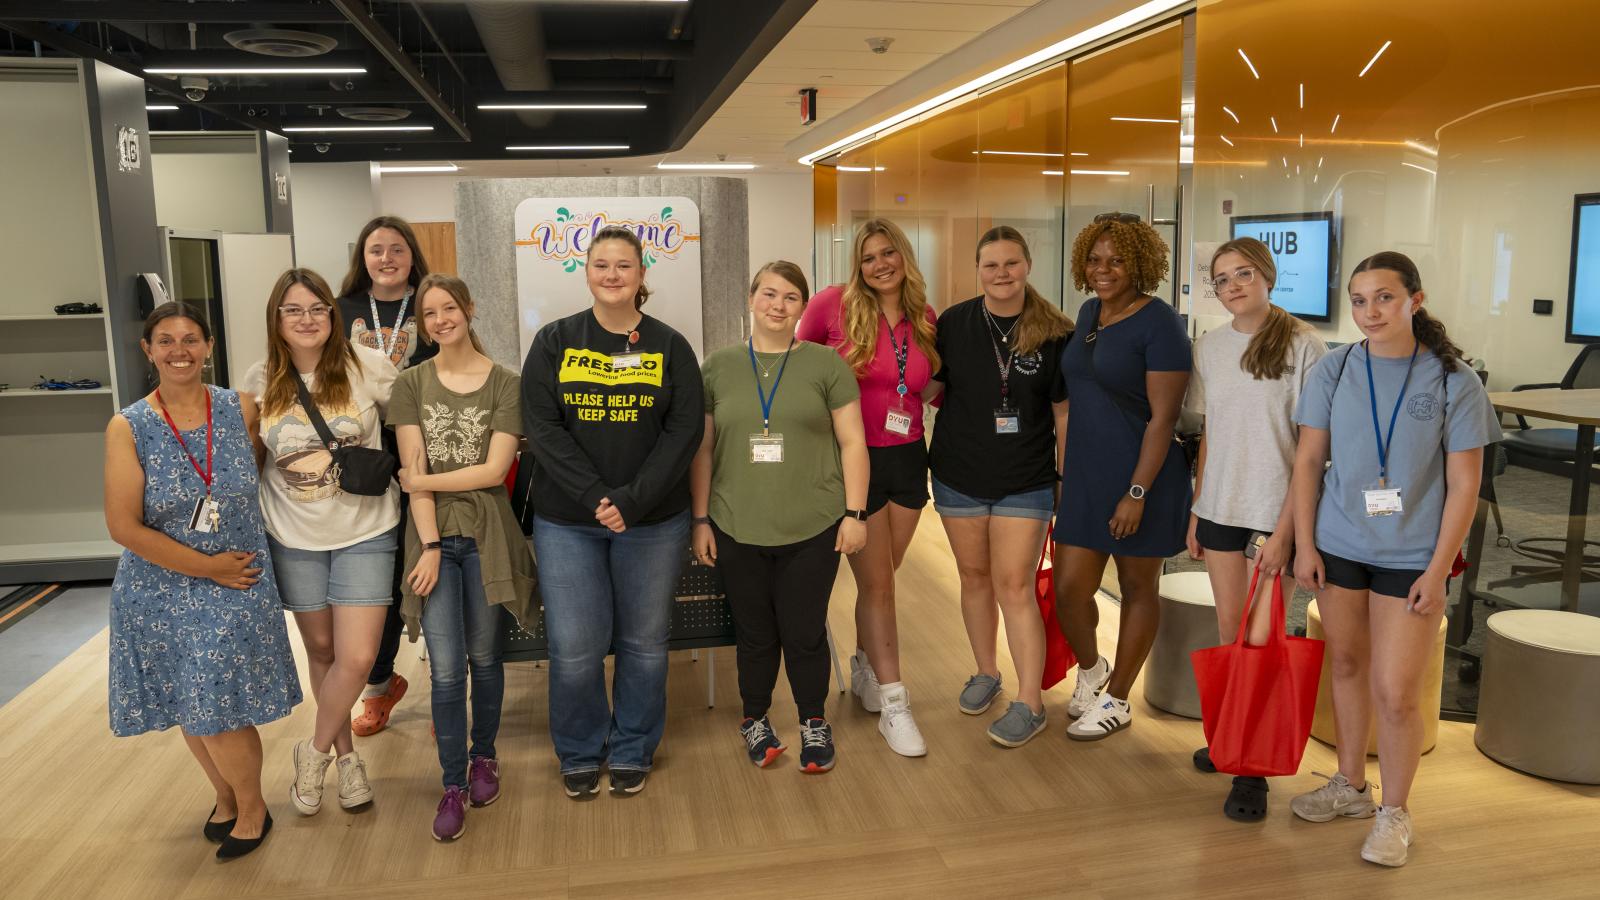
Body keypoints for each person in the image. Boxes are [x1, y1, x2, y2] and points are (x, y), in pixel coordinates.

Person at [1288, 251, 1499, 867]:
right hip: (1338, 545)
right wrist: (1304, 543)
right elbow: (1307, 462)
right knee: (1347, 667)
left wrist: (1439, 571)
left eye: (1383, 297)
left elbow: (1465, 486)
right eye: (1358, 300)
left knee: (1396, 690)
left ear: (1415, 299)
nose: (1369, 311)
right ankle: (1350, 786)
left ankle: (1395, 813)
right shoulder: (1336, 368)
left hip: (1412, 555)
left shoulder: (1453, 379)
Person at [104, 302, 301, 860]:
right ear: (148, 351)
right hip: (160, 587)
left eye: (190, 339)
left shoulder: (241, 409)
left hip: (237, 579)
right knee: (193, 700)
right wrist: (204, 566)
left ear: (209, 346)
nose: (179, 350)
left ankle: (254, 806)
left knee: (220, 701)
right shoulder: (129, 426)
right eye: (165, 341)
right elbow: (123, 526)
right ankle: (226, 796)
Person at [521, 226, 704, 798]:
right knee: (575, 648)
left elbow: (684, 433)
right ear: (587, 272)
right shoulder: (555, 341)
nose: (612, 275)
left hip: (652, 522)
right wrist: (599, 498)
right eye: (602, 265)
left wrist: (631, 499)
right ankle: (579, 748)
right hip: (568, 523)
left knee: (645, 644)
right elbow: (543, 429)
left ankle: (631, 746)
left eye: (624, 266)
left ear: (642, 274)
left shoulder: (671, 346)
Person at [690, 261, 869, 773]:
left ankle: (813, 720)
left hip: (813, 523)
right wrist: (700, 519)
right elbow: (703, 449)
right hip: (734, 522)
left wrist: (855, 513)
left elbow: (853, 441)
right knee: (754, 633)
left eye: (791, 297)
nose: (778, 305)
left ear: (803, 308)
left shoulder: (826, 364)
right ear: (751, 299)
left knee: (805, 629)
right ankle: (755, 719)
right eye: (769, 294)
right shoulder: (718, 366)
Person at [242, 268, 400, 818]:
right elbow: (250, 466)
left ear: (332, 316)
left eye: (317, 308)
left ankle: (312, 754)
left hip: (366, 530)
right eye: (293, 310)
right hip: (293, 536)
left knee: (357, 656)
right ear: (277, 320)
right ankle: (348, 759)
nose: (307, 319)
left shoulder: (366, 366)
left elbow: (413, 422)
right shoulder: (261, 381)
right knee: (324, 653)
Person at [1184, 237, 1328, 819]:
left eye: (1243, 273)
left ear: (1267, 276)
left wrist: (1289, 532)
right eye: (1222, 279)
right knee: (1229, 633)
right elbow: (1211, 433)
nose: (1233, 285)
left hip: (1276, 514)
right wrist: (1197, 508)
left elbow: (1311, 452)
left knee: (1262, 640)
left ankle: (1252, 774)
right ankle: (1232, 740)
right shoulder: (1210, 349)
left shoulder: (1305, 347)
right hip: (1221, 507)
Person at [389, 274, 536, 841]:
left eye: (449, 308)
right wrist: (427, 544)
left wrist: (420, 477)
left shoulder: (506, 383)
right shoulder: (411, 384)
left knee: (485, 657)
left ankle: (485, 757)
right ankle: (452, 782)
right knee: (447, 671)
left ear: (469, 310)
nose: (440, 320)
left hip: (488, 539)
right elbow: (411, 479)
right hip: (433, 544)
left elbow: (494, 472)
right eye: (429, 314)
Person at [797, 217, 938, 758]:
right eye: (868, 257)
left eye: (888, 253)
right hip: (851, 461)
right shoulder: (832, 304)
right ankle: (896, 703)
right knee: (880, 587)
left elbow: (933, 384)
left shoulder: (925, 317)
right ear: (857, 265)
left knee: (881, 579)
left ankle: (864, 665)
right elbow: (792, 366)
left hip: (908, 459)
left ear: (904, 255)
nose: (880, 264)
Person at [929, 226, 1072, 748]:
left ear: (1028, 265)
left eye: (1011, 263)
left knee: (1014, 587)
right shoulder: (954, 323)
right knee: (973, 578)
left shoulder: (1055, 330)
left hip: (1025, 480)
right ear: (978, 271)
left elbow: (1063, 415)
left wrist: (1064, 476)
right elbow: (930, 388)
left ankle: (1029, 702)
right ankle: (986, 672)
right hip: (957, 474)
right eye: (991, 265)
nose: (1002, 274)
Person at [1054, 213, 1192, 741]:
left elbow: (1163, 417)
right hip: (1086, 477)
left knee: (1138, 588)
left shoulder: (1161, 323)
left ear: (1141, 264)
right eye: (1095, 259)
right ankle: (1092, 671)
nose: (1104, 269)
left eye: (1117, 260)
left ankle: (1118, 699)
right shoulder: (1089, 312)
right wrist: (1065, 472)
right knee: (1070, 589)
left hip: (1144, 480)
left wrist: (1137, 492)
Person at [336, 215, 436, 738]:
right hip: (365, 460)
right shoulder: (339, 310)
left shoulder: (432, 302)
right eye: (377, 250)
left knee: (424, 566)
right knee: (376, 579)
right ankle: (379, 684)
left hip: (428, 455)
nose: (387, 259)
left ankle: (448, 685)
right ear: (363, 257)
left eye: (397, 249)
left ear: (412, 255)